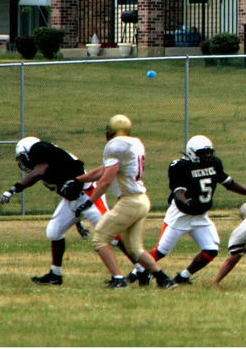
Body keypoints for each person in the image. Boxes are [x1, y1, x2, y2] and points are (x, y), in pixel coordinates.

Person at [133, 135, 246, 286]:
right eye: (202, 153)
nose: (207, 156)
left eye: (209, 152)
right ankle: (136, 273)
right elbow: (178, 192)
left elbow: (229, 183)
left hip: (200, 216)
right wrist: (185, 201)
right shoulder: (180, 166)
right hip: (180, 215)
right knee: (162, 250)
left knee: (211, 250)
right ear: (192, 153)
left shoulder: (214, 163)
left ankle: (183, 277)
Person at [0, 136, 129, 285]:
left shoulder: (40, 154)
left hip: (88, 195)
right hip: (73, 199)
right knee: (54, 232)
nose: (23, 162)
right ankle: (56, 274)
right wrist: (77, 221)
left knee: (112, 235)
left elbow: (39, 172)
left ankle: (142, 269)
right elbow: (66, 187)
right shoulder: (52, 159)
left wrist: (14, 190)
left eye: (23, 157)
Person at [74, 114, 176, 289]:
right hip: (141, 200)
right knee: (135, 248)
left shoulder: (115, 145)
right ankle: (164, 279)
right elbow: (105, 170)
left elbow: (106, 179)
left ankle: (118, 279)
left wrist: (90, 201)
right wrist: (80, 179)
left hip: (129, 201)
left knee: (100, 238)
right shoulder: (134, 142)